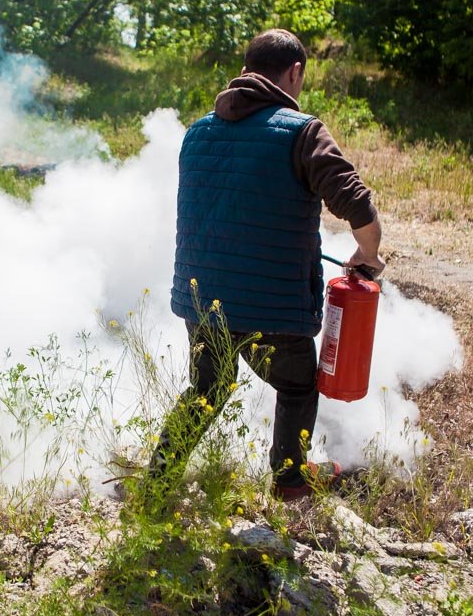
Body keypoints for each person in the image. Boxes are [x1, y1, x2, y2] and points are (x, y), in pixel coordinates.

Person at [145, 28, 384, 504]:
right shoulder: (303, 132)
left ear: (245, 72)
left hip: (200, 298)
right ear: (294, 73)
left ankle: (157, 482)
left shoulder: (198, 131)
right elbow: (357, 205)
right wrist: (369, 255)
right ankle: (290, 479)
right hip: (270, 305)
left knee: (208, 387)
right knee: (296, 385)